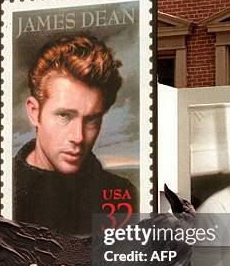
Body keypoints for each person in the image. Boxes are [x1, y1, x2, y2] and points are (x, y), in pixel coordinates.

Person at [13, 34, 138, 236]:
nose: (78, 137)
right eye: (64, 115)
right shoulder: (3, 188)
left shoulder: (123, 194)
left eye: (91, 119)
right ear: (34, 112)